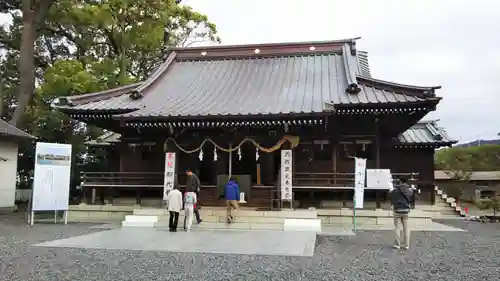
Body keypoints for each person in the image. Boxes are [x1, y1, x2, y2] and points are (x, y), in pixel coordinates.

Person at [389, 177, 414, 250]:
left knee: (397, 228)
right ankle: (406, 245)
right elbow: (411, 197)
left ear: (399, 182)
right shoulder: (409, 190)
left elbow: (390, 196)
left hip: (397, 210)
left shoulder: (395, 190)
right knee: (406, 228)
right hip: (406, 210)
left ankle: (397, 244)